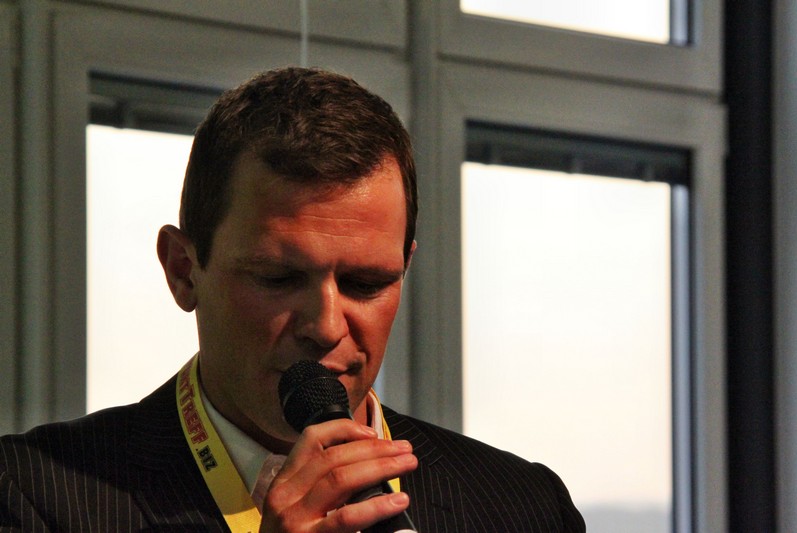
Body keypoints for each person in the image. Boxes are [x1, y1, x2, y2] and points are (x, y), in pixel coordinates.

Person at [0, 67, 585, 532]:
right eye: (277, 278)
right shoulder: (31, 494)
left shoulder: (526, 506)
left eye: (367, 284)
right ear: (183, 272)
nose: (326, 326)